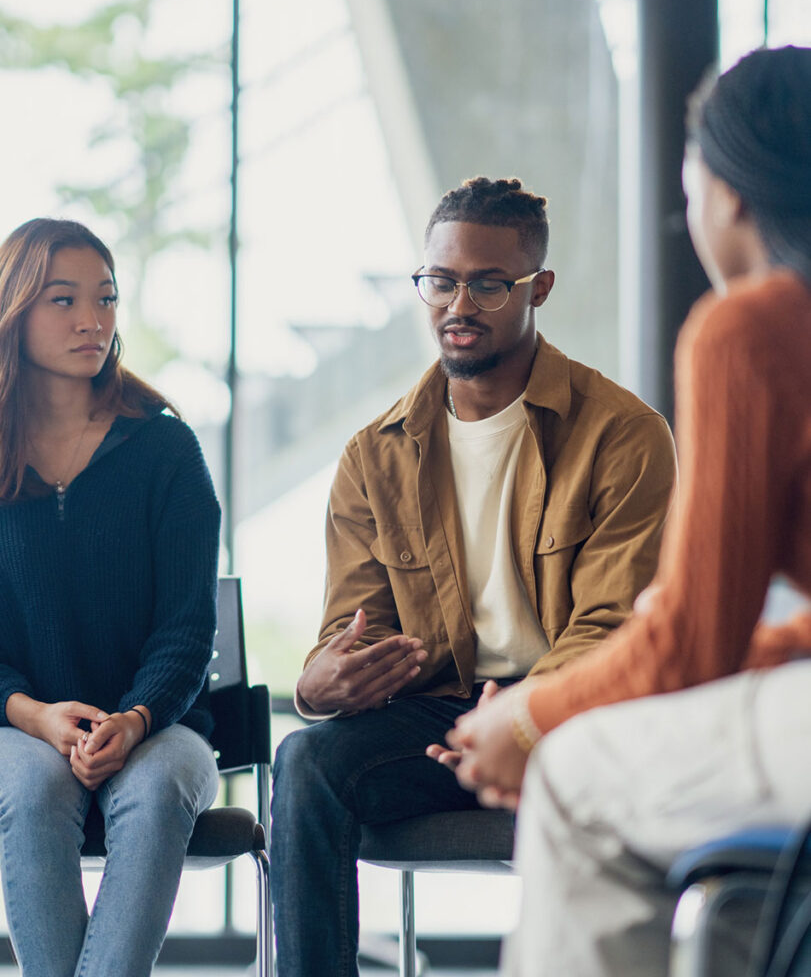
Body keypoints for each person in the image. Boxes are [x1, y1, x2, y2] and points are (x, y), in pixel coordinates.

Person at [440, 46, 811, 977]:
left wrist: (530, 721)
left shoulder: (752, 328)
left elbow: (691, 639)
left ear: (724, 193)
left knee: (574, 781)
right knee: (734, 908)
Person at [270, 176, 677, 976]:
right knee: (306, 761)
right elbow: (351, 631)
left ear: (538, 288)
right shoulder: (374, 453)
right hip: (436, 719)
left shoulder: (622, 435)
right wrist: (326, 683)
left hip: (572, 716)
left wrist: (519, 715)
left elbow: (612, 625)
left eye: (489, 283)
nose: (459, 304)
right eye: (440, 280)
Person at [0, 218, 222, 977]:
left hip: (160, 725)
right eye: (63, 300)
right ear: (14, 309)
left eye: (106, 298)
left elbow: (189, 628)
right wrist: (33, 715)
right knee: (29, 788)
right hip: (21, 730)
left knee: (159, 788)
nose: (92, 320)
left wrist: (133, 719)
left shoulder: (164, 449)